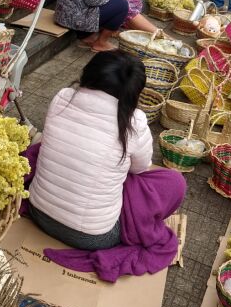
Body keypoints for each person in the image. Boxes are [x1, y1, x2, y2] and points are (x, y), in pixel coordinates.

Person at [27, 51, 179, 251]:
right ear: (134, 92)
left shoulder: (63, 97)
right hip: (93, 238)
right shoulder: (135, 121)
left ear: (88, 73)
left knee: (43, 150)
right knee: (174, 182)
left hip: (37, 211)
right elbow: (140, 169)